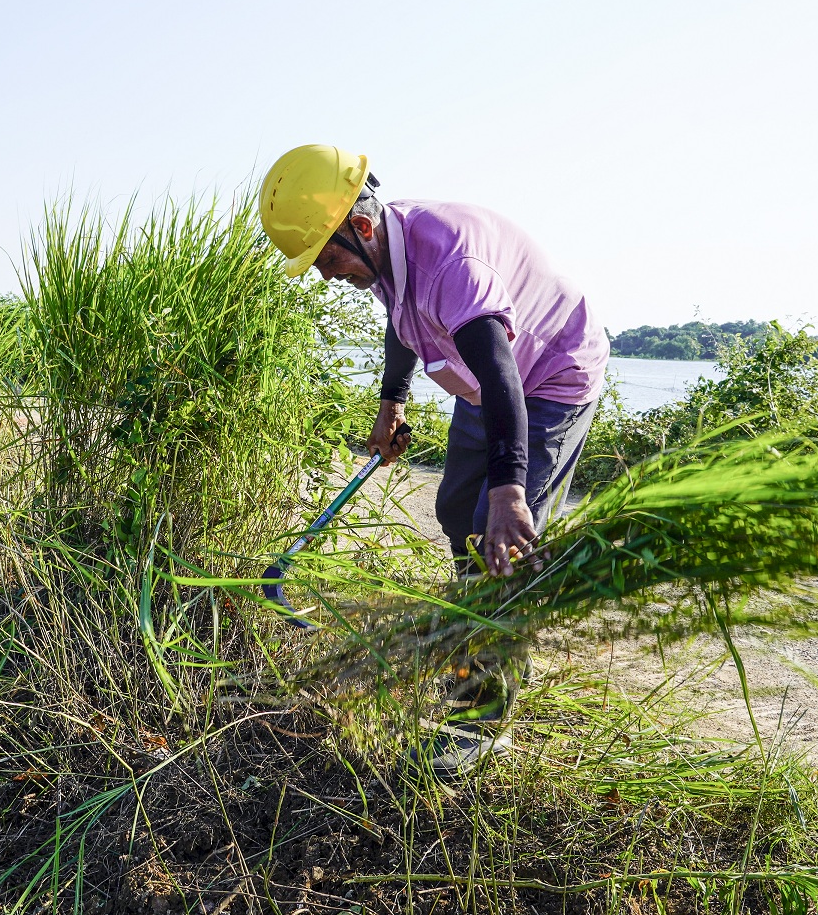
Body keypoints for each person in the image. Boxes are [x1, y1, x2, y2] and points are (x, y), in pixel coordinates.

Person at [259, 145, 607, 766]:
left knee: (495, 531)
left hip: (547, 378)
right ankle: (475, 619)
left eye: (327, 256)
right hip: (482, 383)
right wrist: (392, 400)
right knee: (454, 512)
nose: (325, 274)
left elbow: (505, 377)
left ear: (360, 227)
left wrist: (508, 491)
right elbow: (401, 322)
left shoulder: (451, 260)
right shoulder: (384, 254)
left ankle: (482, 715)